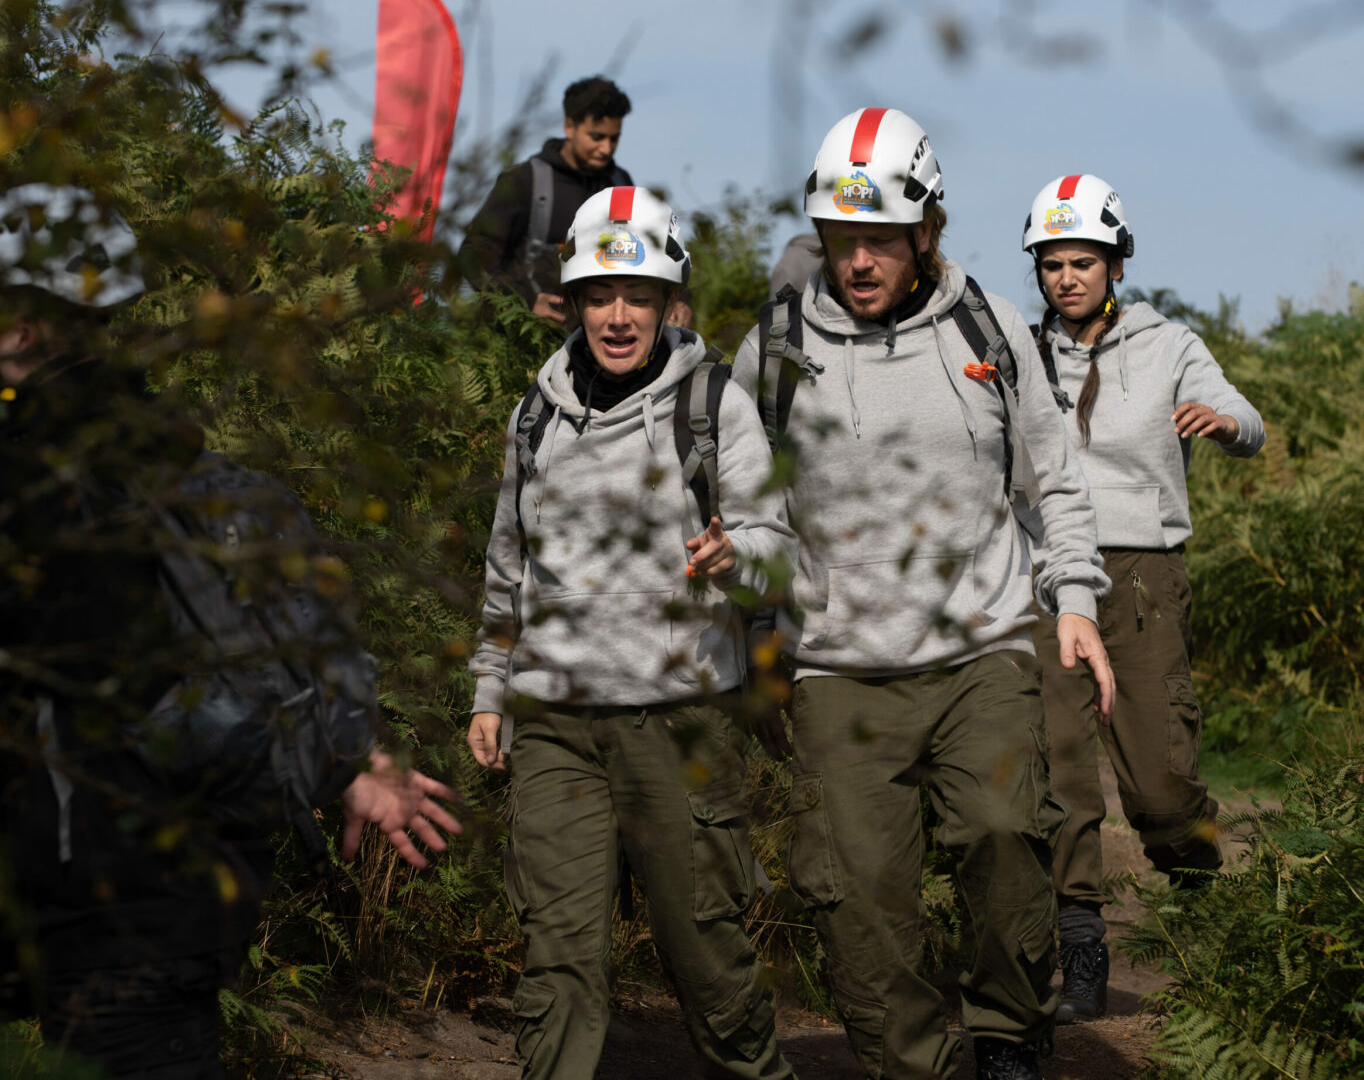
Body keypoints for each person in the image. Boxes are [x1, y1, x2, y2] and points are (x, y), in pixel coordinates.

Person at [0, 185, 461, 1077]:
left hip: (105, 924)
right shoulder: (197, 477)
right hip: (137, 904)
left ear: (20, 332)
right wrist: (351, 765)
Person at [732, 108, 1115, 1080]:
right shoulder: (771, 350)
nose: (860, 260)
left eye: (881, 239)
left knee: (1002, 839)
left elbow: (1053, 481)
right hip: (837, 669)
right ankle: (922, 1065)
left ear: (926, 233)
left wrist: (1073, 599)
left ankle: (1010, 1036)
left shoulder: (989, 329)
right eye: (841, 238)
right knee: (858, 899)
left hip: (980, 651)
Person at [466, 186, 796, 1080]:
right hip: (555, 728)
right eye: (601, 296)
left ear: (668, 302)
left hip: (680, 724)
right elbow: (509, 567)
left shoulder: (715, 405)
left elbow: (779, 551)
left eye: (638, 296)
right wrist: (490, 689)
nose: (619, 317)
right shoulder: (533, 417)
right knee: (559, 962)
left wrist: (738, 558)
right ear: (574, 302)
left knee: (709, 960)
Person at [1019, 174, 1265, 1023]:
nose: (1066, 278)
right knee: (1060, 770)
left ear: (1117, 262)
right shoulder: (1020, 349)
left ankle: (1205, 920)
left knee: (1162, 785)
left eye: (1082, 260)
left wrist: (1224, 422)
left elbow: (1248, 416)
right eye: (1050, 264)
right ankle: (1079, 945)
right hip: (1049, 576)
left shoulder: (1170, 345)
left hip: (1143, 576)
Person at [460, 76, 693, 330]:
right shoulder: (525, 181)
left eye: (614, 139)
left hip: (599, 342)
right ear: (569, 127)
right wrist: (525, 301)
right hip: (523, 343)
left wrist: (679, 301)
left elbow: (653, 249)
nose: (606, 149)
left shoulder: (619, 183)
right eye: (597, 137)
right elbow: (474, 255)